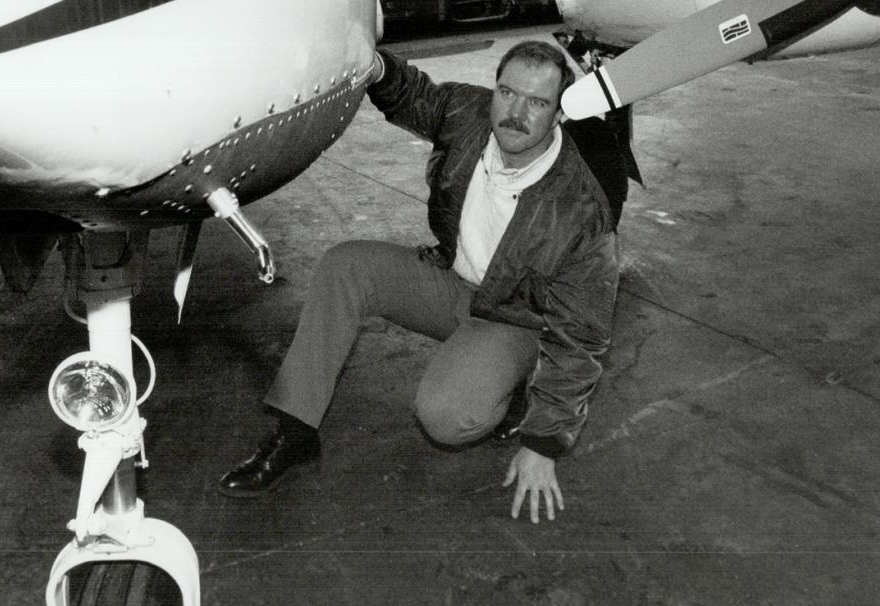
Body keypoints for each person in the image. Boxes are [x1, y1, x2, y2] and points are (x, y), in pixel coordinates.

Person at [218, 40, 620, 523]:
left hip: (515, 318)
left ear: (559, 114)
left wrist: (545, 443)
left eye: (537, 103)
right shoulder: (470, 114)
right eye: (508, 93)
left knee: (447, 417)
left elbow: (583, 338)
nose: (515, 113)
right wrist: (373, 62)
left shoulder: (580, 211)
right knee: (346, 266)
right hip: (452, 282)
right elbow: (415, 97)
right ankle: (296, 427)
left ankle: (513, 385)